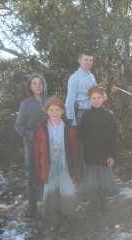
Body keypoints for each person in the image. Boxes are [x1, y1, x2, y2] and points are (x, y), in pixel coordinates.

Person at [34, 95, 83, 231]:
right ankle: (55, 217)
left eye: (57, 110)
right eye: (51, 110)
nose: (54, 113)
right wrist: (38, 170)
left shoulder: (69, 128)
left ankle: (65, 219)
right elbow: (38, 151)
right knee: (51, 190)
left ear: (62, 111)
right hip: (49, 165)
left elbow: (76, 149)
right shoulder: (42, 129)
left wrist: (78, 168)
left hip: (65, 165)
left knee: (65, 190)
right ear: (46, 111)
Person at [78, 86, 119, 216]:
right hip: (90, 154)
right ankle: (93, 205)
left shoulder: (109, 115)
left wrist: (111, 155)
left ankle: (103, 204)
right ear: (89, 99)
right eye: (93, 98)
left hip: (103, 153)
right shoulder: (86, 115)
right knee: (91, 179)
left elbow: (113, 137)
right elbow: (82, 136)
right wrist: (83, 155)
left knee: (102, 179)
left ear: (103, 98)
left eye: (99, 98)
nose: (96, 100)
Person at [14, 73, 48, 218]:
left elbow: (60, 119)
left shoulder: (51, 101)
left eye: (40, 83)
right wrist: (29, 134)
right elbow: (18, 125)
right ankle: (32, 207)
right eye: (35, 83)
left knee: (49, 173)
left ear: (44, 84)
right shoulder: (25, 104)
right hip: (32, 145)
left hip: (48, 145)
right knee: (32, 175)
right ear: (30, 86)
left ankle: (49, 204)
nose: (38, 86)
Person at [65, 49, 97, 126]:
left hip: (93, 113)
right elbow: (69, 101)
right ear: (79, 60)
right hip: (81, 114)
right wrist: (72, 122)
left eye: (91, 60)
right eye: (86, 59)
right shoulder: (75, 77)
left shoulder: (92, 77)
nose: (88, 62)